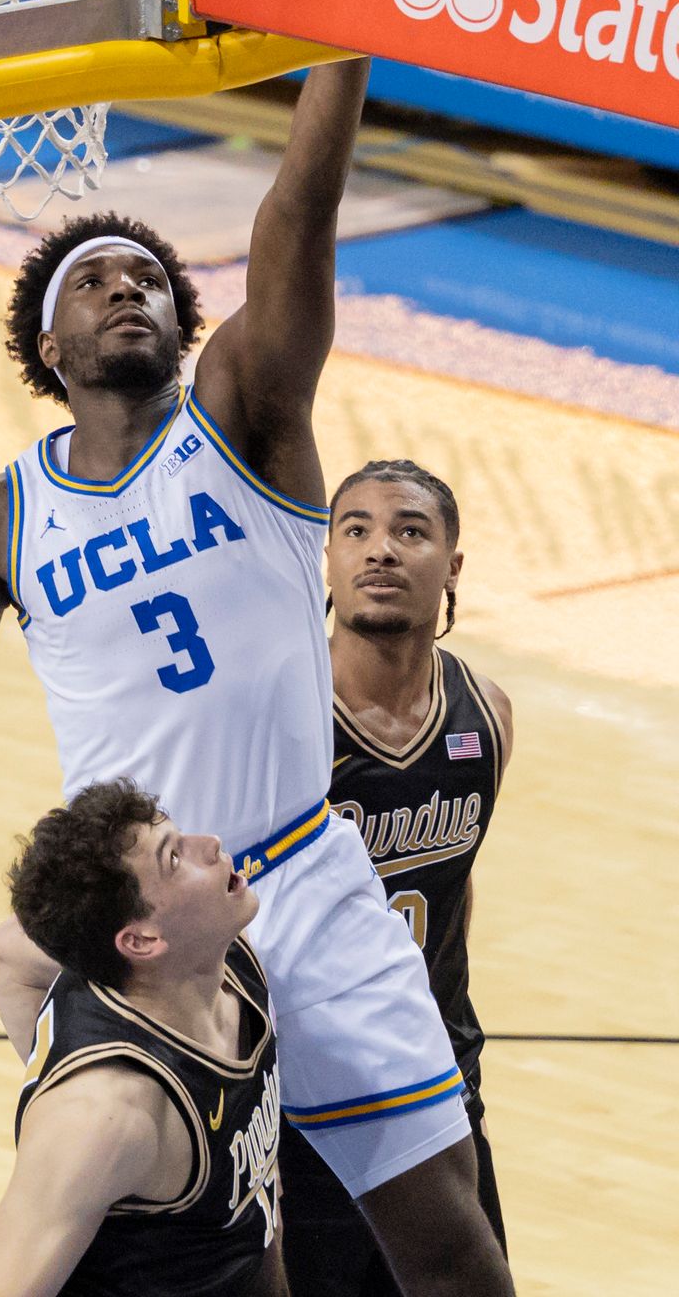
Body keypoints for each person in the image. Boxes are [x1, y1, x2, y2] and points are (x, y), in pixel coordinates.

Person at [0, 57, 513, 1295]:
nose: (130, 290)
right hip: (145, 931)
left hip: (301, 887)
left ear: (186, 328)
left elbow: (297, 219)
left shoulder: (246, 423)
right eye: (96, 282)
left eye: (153, 281)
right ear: (47, 343)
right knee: (225, 1261)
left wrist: (344, 41)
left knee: (447, 1248)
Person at [278, 460, 512, 1296]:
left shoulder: (485, 713)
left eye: (411, 531)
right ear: (329, 560)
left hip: (438, 1078)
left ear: (452, 565)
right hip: (305, 1101)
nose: (381, 550)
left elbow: (456, 885)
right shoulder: (281, 718)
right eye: (357, 530)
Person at [0, 778, 286, 1297]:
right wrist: (63, 1084)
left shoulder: (223, 955)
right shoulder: (105, 1119)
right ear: (141, 939)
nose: (209, 845)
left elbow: (4, 950)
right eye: (174, 858)